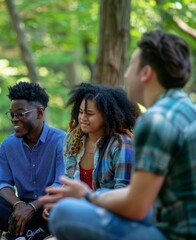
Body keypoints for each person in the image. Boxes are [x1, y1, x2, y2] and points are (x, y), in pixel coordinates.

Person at [39, 30, 196, 240]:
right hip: (170, 217)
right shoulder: (189, 109)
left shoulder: (156, 121)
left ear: (146, 73)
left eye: (131, 66)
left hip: (176, 233)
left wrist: (86, 196)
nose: (125, 75)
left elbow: (136, 206)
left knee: (64, 213)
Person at [0, 82, 66, 240]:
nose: (14, 119)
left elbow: (61, 184)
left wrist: (33, 207)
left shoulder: (61, 141)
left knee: (64, 207)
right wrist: (18, 205)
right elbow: (3, 184)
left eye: (20, 114)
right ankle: (36, 235)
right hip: (19, 205)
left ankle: (19, 235)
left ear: (40, 113)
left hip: (49, 205)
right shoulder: (8, 145)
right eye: (12, 114)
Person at [41, 83, 140, 220]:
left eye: (89, 113)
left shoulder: (121, 145)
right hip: (77, 211)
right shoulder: (72, 139)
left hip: (107, 216)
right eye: (81, 112)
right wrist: (56, 203)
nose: (82, 118)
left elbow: (122, 193)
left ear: (107, 116)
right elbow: (69, 181)